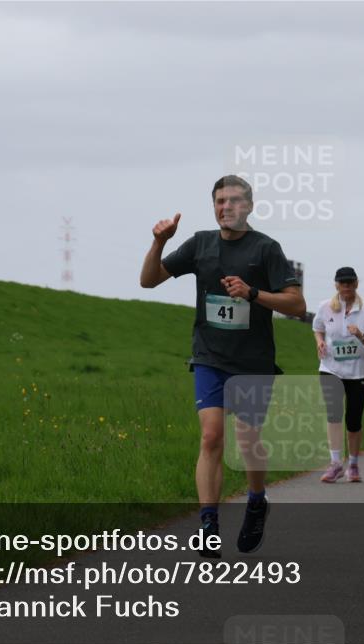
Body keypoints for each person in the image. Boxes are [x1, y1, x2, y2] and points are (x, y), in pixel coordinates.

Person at [139, 175, 306, 557]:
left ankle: (256, 500)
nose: (225, 207)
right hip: (210, 356)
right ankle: (209, 523)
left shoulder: (266, 249)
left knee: (247, 441)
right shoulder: (200, 244)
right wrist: (159, 241)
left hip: (253, 362)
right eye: (219, 201)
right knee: (211, 436)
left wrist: (252, 293)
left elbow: (296, 305)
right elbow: (148, 281)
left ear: (248, 206)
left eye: (233, 201)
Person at [313, 267, 364, 483]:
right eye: (343, 283)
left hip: (359, 371)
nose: (347, 287)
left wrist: (360, 335)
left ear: (356, 284)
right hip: (330, 369)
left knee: (353, 420)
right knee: (333, 414)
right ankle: (335, 464)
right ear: (336, 285)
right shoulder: (325, 307)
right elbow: (317, 327)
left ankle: (353, 464)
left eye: (350, 283)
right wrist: (320, 341)